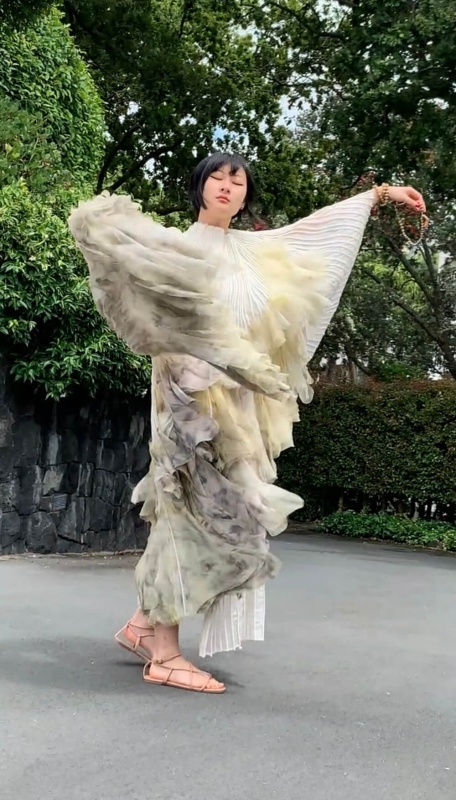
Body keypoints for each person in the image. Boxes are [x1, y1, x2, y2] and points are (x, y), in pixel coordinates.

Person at [69, 153, 426, 693]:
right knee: (186, 512)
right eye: (216, 176)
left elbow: (316, 233)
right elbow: (150, 319)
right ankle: (165, 655)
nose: (226, 186)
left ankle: (143, 626)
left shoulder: (255, 250)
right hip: (187, 401)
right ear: (198, 187)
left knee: (222, 514)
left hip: (238, 407)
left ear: (244, 196)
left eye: (237, 180)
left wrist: (380, 195)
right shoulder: (175, 247)